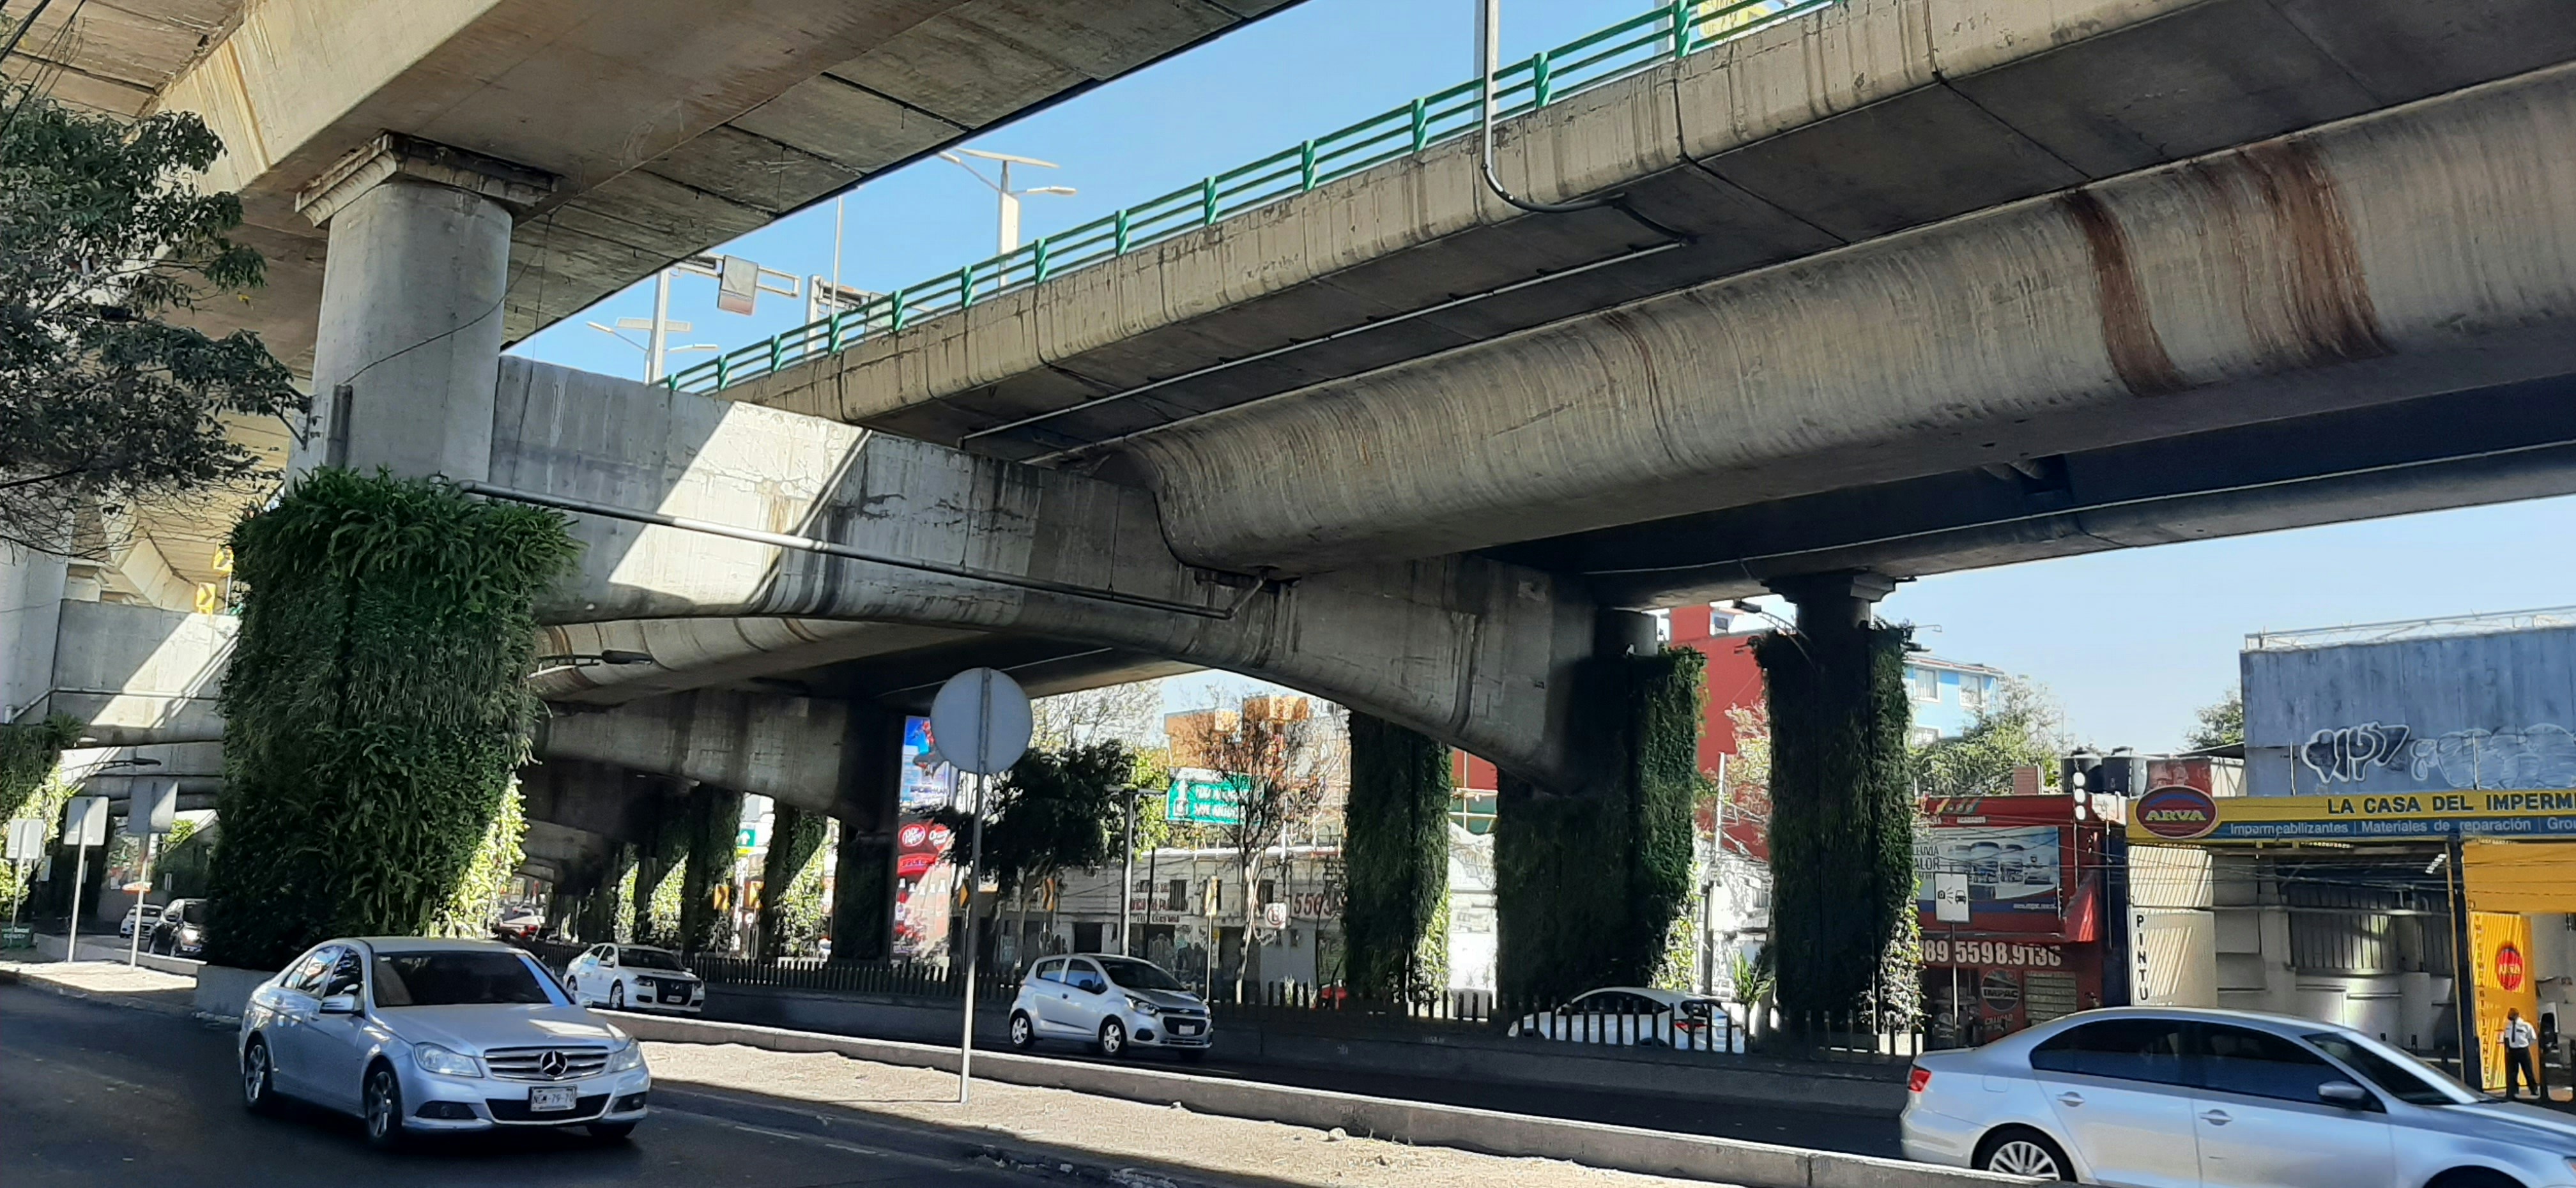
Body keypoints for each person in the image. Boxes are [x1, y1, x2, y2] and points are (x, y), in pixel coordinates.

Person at [2504, 1007, 2542, 1101]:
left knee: (2528, 1071)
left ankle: (2534, 1089)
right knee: (2513, 1073)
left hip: (2523, 1050)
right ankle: (2514, 1091)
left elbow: (2533, 1038)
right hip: (2513, 1051)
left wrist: (2526, 1045)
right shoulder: (2508, 1026)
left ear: (2516, 1015)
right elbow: (2507, 1038)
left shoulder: (2526, 1026)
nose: (2510, 1017)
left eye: (2512, 1015)